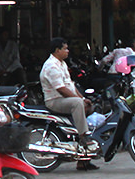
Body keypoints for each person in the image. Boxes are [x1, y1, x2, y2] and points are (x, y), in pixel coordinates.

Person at [40, 37, 99, 171]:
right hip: (54, 100)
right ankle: (84, 136)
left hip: (66, 99)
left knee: (88, 105)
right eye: (65, 48)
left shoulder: (62, 64)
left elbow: (71, 86)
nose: (68, 51)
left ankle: (83, 160)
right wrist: (79, 101)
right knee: (78, 104)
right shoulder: (51, 66)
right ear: (57, 50)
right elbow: (61, 89)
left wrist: (83, 98)